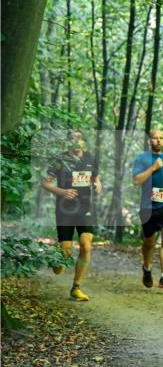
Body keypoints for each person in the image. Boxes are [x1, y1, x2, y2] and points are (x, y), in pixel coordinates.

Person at [41, 129, 102, 301]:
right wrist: (62, 192)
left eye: (80, 138)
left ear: (84, 141)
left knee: (86, 245)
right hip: (65, 208)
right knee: (65, 252)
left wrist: (98, 184)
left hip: (85, 207)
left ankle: (76, 287)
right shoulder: (59, 159)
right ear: (68, 141)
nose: (76, 141)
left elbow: (95, 178)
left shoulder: (90, 158)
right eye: (72, 138)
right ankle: (58, 258)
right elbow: (45, 183)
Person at [132, 129, 163, 288]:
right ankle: (147, 268)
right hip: (147, 206)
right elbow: (136, 181)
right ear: (149, 140)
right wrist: (153, 168)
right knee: (149, 241)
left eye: (161, 138)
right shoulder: (142, 159)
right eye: (155, 138)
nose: (158, 140)